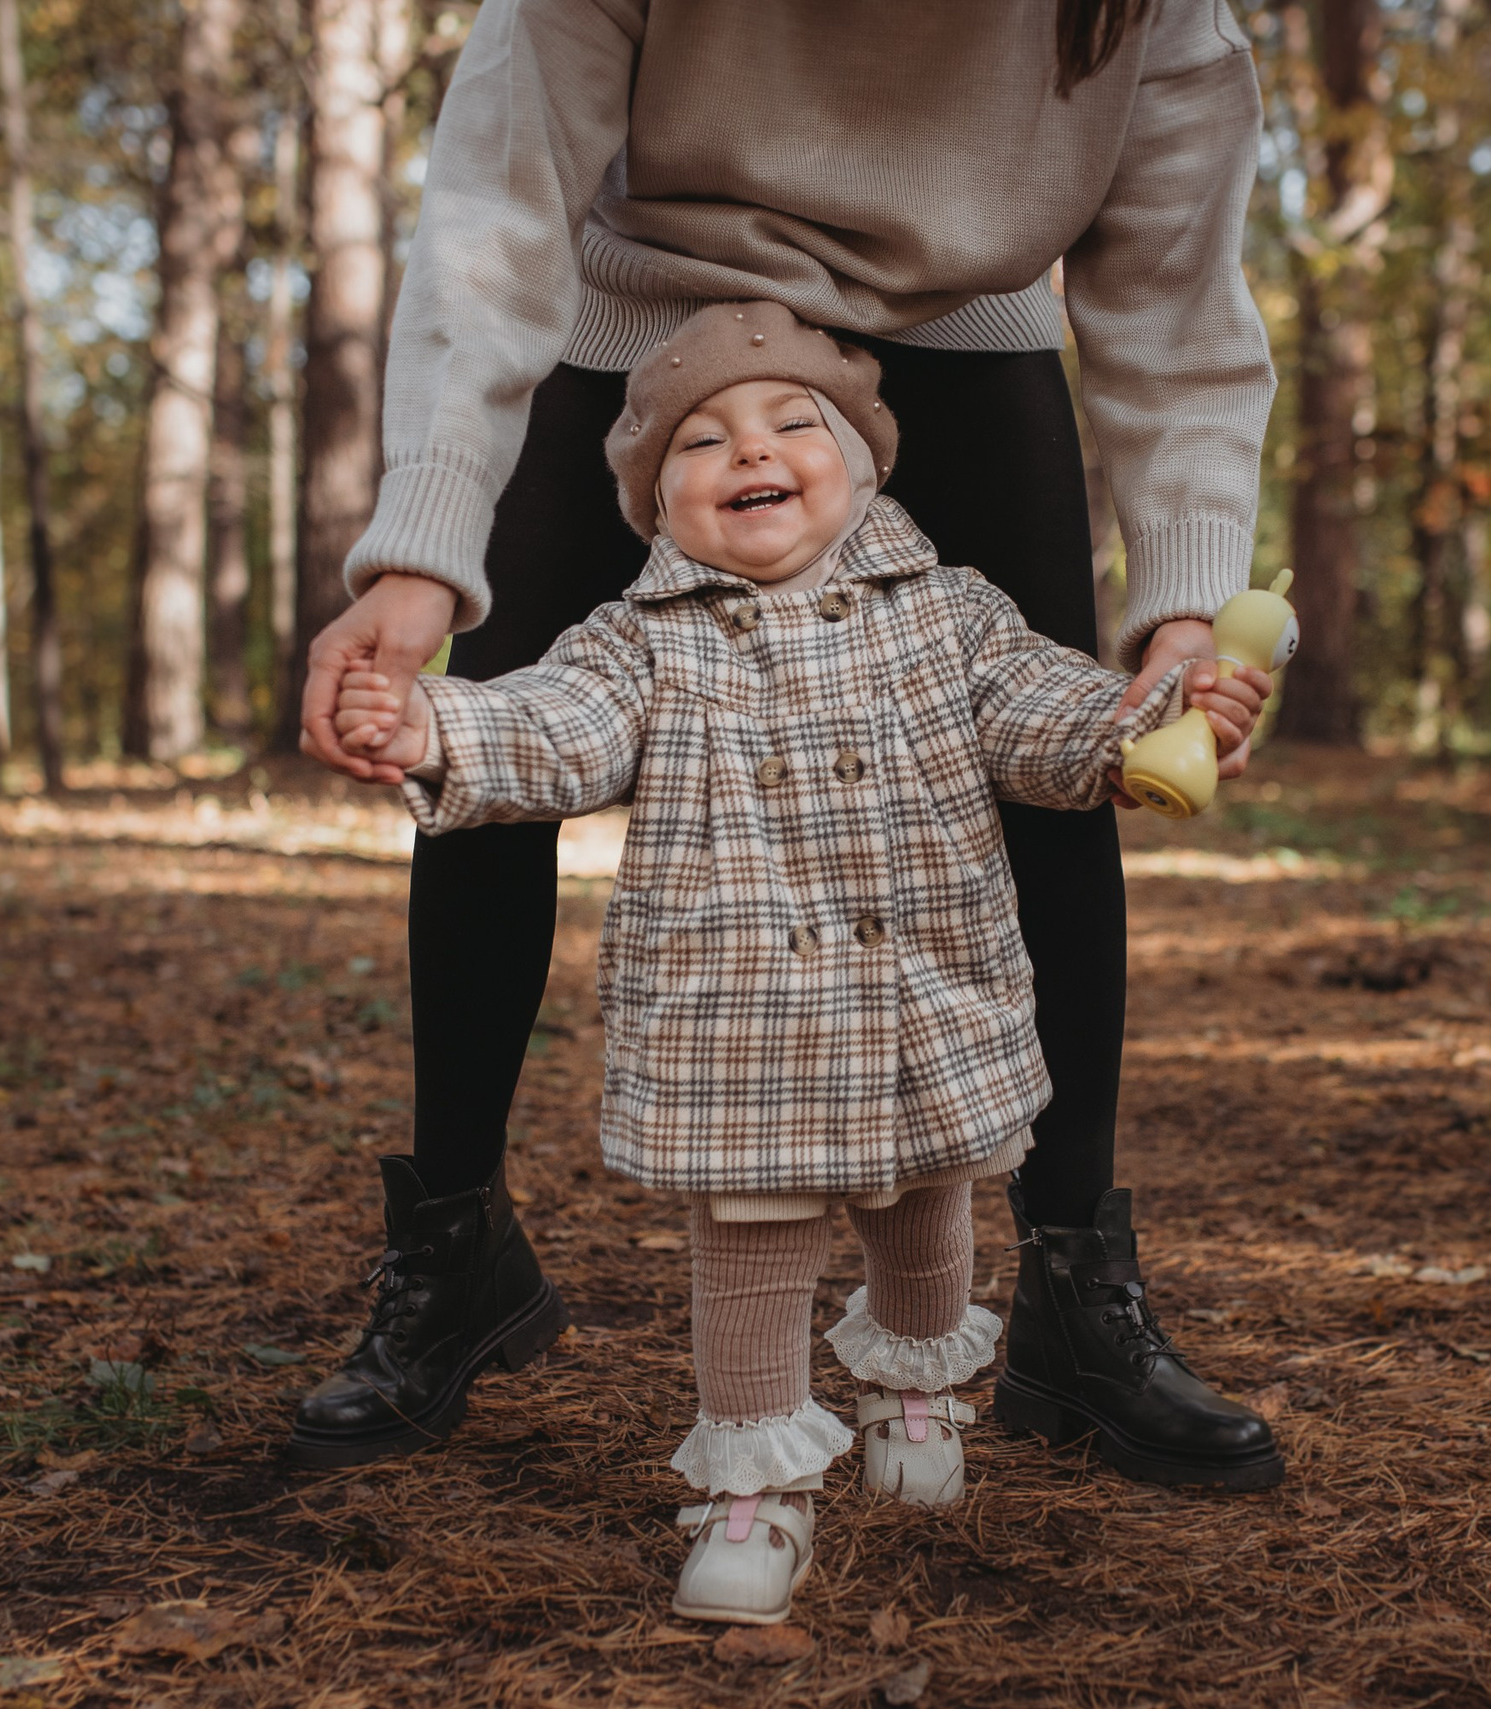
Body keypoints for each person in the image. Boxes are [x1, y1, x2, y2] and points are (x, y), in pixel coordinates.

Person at [289, 0, 1285, 1488]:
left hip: (967, 338)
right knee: (493, 750)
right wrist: (421, 560)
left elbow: (1177, 292)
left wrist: (1188, 607)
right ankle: (455, 1250)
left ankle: (1075, 1288)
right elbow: (500, 203)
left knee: (1052, 776)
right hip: (637, 338)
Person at [326, 304, 1275, 1624]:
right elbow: (551, 728)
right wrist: (430, 722)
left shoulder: (954, 616)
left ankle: (914, 1390)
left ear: (866, 461)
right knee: (752, 1246)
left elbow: (1052, 716)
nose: (746, 450)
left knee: (927, 1203)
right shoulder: (644, 639)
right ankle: (753, 1486)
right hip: (743, 1022)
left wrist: (1158, 722)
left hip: (922, 991)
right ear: (659, 509)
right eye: (698, 443)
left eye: (789, 424)